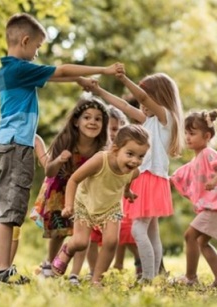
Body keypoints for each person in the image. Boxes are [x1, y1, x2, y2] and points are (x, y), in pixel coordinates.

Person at [0, 12, 123, 284]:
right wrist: (104, 70)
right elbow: (60, 70)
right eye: (37, 47)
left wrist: (78, 81)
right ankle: (1, 272)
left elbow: (56, 76)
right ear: (25, 41)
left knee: (3, 211)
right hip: (16, 146)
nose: (38, 54)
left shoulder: (8, 70)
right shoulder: (19, 68)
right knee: (10, 212)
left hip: (4, 143)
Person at [90, 72, 184, 282]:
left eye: (148, 96)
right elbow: (124, 106)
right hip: (144, 179)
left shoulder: (165, 118)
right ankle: (154, 277)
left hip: (151, 179)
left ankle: (147, 278)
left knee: (137, 229)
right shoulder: (149, 120)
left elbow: (141, 98)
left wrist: (123, 79)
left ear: (160, 97)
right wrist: (98, 91)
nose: (142, 103)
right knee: (151, 233)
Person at [50, 125, 151, 286]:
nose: (135, 161)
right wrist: (68, 205)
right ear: (116, 150)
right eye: (130, 154)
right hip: (85, 203)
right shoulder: (100, 160)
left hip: (111, 207)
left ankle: (97, 279)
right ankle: (67, 249)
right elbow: (74, 180)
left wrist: (127, 192)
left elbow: (127, 179)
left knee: (111, 241)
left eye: (141, 156)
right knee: (81, 242)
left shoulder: (134, 171)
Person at [32, 97, 109, 285]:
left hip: (85, 192)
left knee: (83, 233)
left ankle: (74, 274)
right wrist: (58, 160)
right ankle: (49, 264)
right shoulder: (66, 140)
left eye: (98, 119)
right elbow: (49, 171)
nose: (92, 122)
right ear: (76, 121)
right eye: (87, 118)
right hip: (59, 188)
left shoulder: (102, 147)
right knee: (58, 230)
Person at [170, 110, 217, 287]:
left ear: (207, 135)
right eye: (186, 133)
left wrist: (215, 180)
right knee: (201, 242)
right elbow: (177, 177)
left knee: (189, 236)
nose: (187, 137)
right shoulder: (195, 160)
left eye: (192, 133)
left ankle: (190, 278)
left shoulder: (208, 153)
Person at [0, 129, 48, 283]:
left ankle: (4, 270)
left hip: (16, 192)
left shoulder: (34, 138)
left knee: (14, 231)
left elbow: (47, 163)